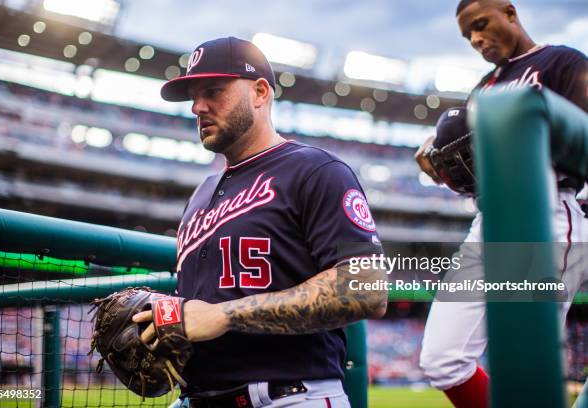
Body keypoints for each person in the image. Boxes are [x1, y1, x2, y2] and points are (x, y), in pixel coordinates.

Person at [134, 36, 387, 407]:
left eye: (214, 91)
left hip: (288, 396)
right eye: (193, 96)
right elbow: (206, 304)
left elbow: (366, 287)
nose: (197, 107)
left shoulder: (317, 170)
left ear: (260, 92)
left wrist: (222, 316)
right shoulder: (201, 193)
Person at [415, 1, 588, 407]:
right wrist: (440, 167)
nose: (476, 39)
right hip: (490, 218)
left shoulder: (562, 61)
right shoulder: (484, 87)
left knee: (529, 359)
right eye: (467, 35)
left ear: (509, 13)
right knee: (441, 359)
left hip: (548, 209)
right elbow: (471, 172)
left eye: (480, 25)